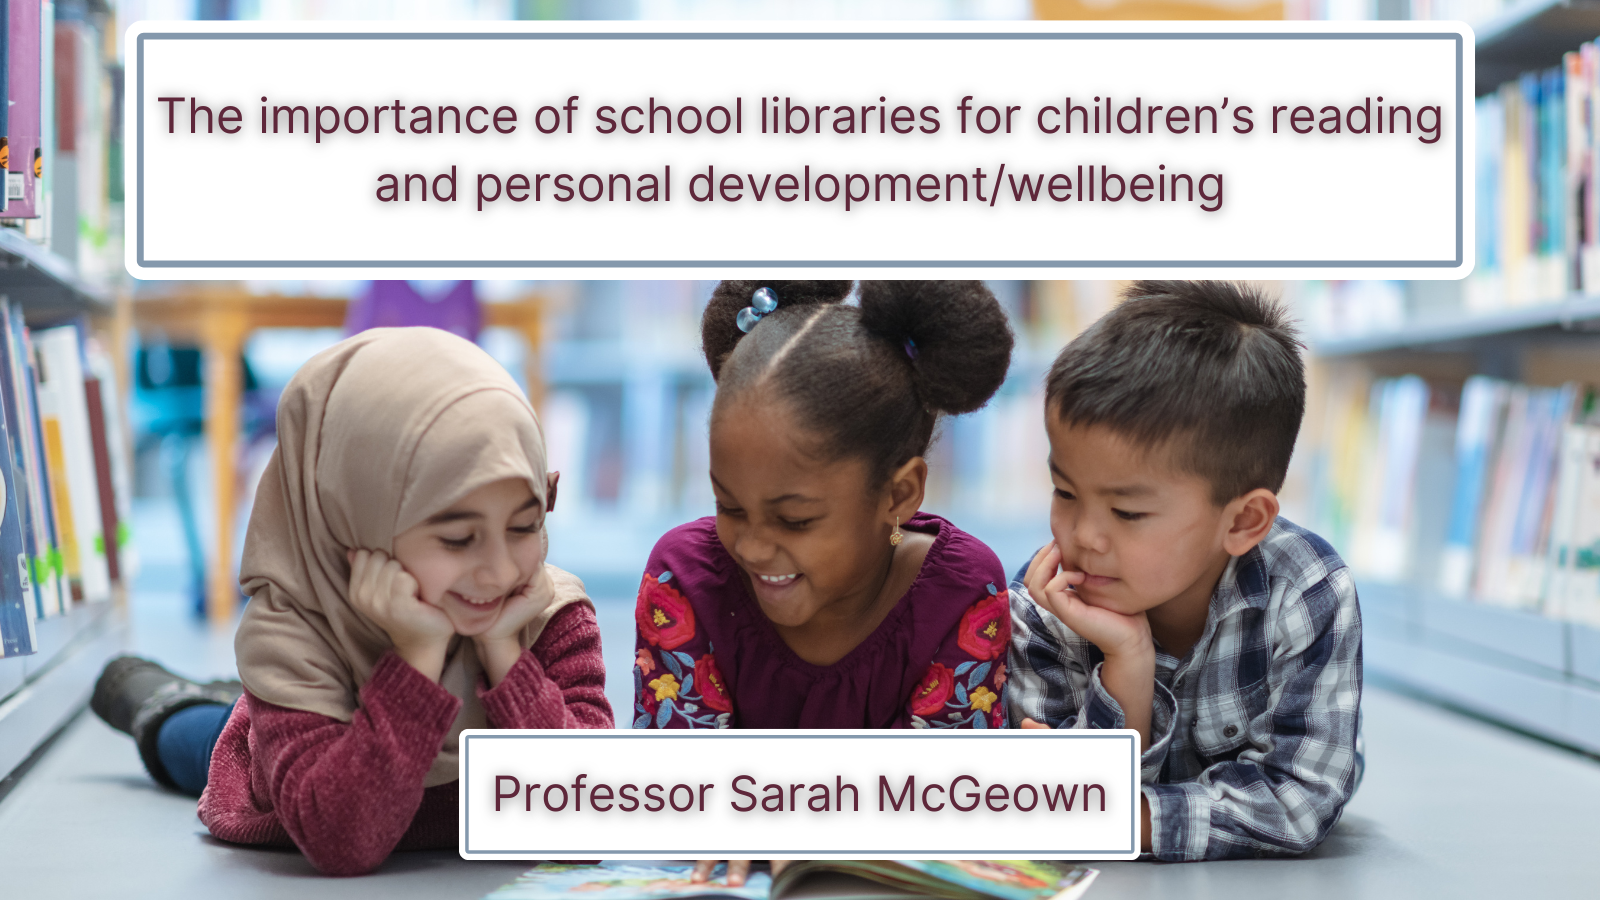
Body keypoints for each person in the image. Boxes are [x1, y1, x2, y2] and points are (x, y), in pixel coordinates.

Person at [90, 327, 611, 876]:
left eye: (524, 526)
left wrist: (505, 652)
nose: (502, 571)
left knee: (242, 713)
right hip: (284, 780)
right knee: (203, 740)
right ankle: (158, 698)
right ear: (358, 514)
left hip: (352, 720)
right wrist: (419, 659)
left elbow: (590, 820)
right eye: (457, 539)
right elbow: (344, 841)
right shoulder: (292, 635)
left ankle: (230, 699)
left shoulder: (549, 612)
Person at [633, 280, 1014, 885]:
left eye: (795, 520)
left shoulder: (965, 592)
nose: (753, 546)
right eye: (729, 506)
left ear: (899, 494)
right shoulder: (685, 577)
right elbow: (669, 788)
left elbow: (949, 795)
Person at [1006, 280, 1363, 862]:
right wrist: (1127, 663)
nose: (1083, 536)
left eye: (1127, 512)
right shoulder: (1047, 599)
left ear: (1244, 520)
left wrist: (1130, 816)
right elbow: (1051, 805)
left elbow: (1300, 800)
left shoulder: (1307, 590)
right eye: (1064, 491)